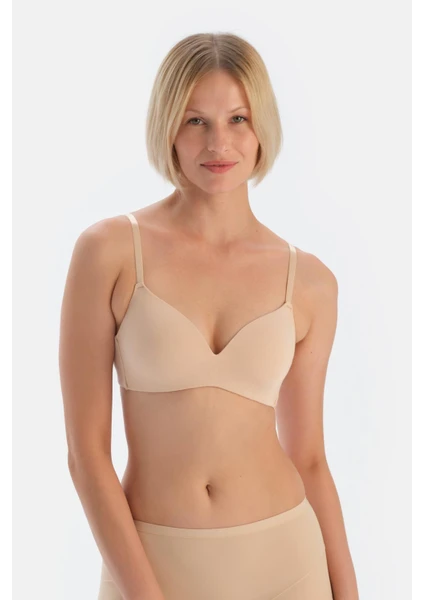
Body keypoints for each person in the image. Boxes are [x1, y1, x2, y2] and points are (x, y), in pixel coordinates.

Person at [59, 32, 359, 600]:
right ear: (167, 128)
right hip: (151, 563)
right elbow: (86, 455)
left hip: (287, 565)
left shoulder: (310, 282)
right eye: (195, 120)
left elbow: (311, 458)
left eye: (238, 119)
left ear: (262, 126)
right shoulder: (109, 252)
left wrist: (349, 592)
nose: (218, 142)